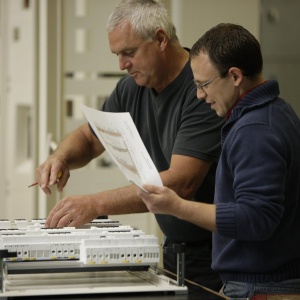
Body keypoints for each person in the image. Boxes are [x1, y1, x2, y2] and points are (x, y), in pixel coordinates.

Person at [36, 0, 224, 291]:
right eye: (117, 55)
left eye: (129, 53)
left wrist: (94, 204)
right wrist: (60, 157)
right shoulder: (132, 88)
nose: (122, 65)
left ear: (160, 39)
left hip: (218, 252)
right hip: (176, 248)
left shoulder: (200, 90)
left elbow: (181, 182)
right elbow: (89, 138)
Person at [137, 23, 300, 299]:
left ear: (235, 76)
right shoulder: (277, 112)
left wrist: (178, 206)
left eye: (204, 85)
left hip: (261, 288)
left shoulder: (255, 131)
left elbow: (256, 218)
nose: (200, 95)